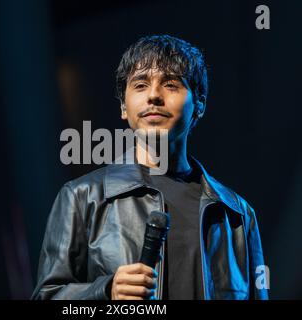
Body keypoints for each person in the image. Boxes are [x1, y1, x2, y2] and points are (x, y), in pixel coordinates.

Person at [31, 35, 269, 300]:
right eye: (141, 85)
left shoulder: (236, 215)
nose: (154, 96)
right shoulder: (82, 197)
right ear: (124, 105)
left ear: (199, 104)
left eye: (170, 84)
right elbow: (46, 296)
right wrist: (105, 291)